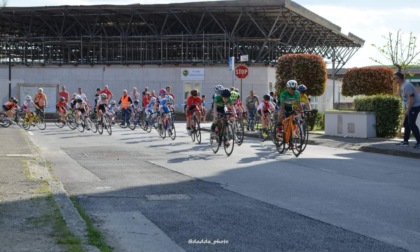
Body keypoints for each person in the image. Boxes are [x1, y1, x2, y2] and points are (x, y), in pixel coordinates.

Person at [394, 72, 420, 148]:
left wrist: (408, 110)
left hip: (415, 106)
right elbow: (406, 99)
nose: (394, 80)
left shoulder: (407, 85)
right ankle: (405, 141)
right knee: (406, 123)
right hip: (411, 106)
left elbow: (412, 99)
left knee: (411, 123)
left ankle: (419, 142)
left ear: (399, 79)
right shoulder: (402, 85)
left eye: (394, 78)